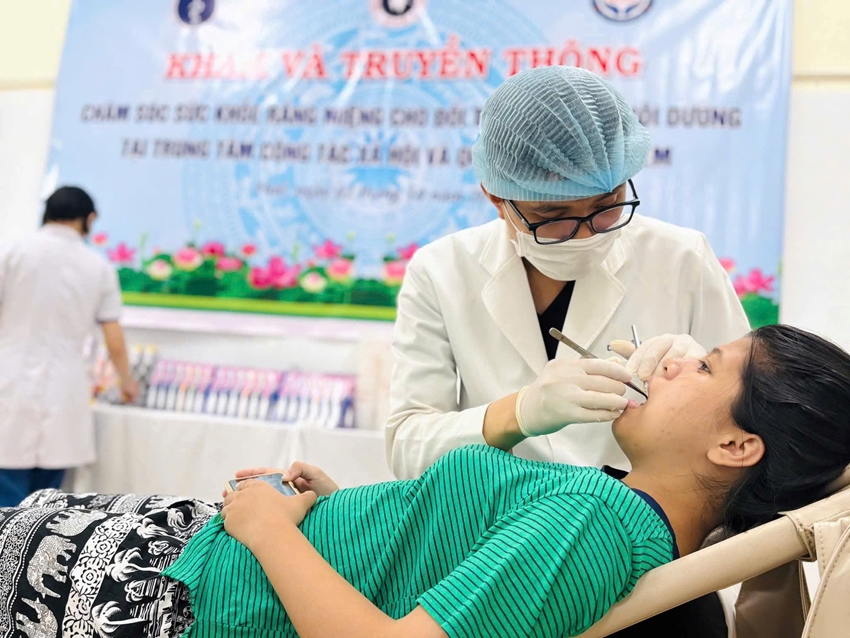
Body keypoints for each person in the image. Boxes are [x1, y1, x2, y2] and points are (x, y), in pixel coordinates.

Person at [3, 325, 849, 638]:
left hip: (178, 586)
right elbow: (443, 566)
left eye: (704, 366)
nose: (667, 362)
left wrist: (265, 528)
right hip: (200, 553)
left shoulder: (600, 521)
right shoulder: (605, 502)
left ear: (739, 448)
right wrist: (345, 512)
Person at [386, 66, 751, 479]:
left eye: (606, 204)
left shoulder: (681, 257)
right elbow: (407, 448)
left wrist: (711, 377)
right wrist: (518, 412)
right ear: (496, 197)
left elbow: (753, 427)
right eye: (553, 215)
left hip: (640, 522)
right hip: (495, 527)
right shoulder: (442, 270)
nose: (586, 233)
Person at [0, 186, 139, 507]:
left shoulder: (11, 252)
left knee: (5, 499)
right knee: (43, 507)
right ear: (88, 219)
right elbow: (114, 340)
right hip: (64, 393)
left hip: (9, 383)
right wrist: (127, 383)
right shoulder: (98, 266)